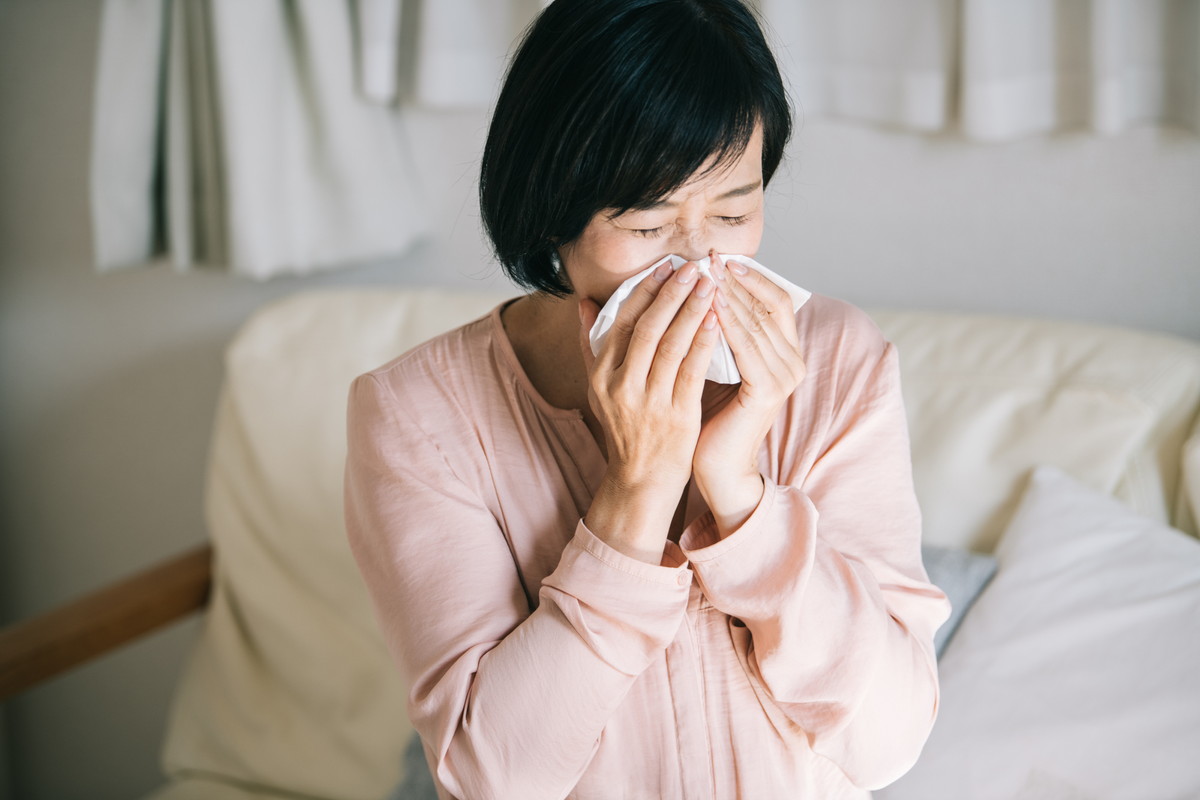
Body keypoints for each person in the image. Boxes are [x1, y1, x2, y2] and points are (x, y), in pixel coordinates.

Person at [344, 1, 952, 798]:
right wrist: (635, 491)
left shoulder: (836, 360)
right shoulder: (418, 416)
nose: (701, 261)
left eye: (733, 211)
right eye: (646, 225)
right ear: (552, 216)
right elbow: (495, 778)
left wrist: (740, 496)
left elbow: (890, 738)